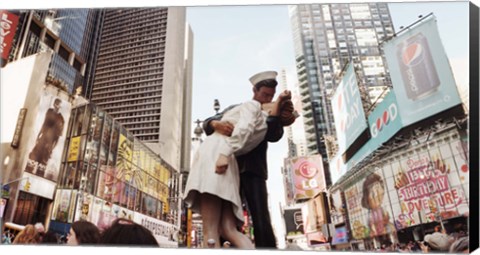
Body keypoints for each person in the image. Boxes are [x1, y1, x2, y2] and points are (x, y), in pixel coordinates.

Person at [200, 71, 289, 248]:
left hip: (254, 170)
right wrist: (213, 124)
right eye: (264, 94)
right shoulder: (243, 107)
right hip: (230, 167)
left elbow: (273, 134)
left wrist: (277, 108)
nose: (266, 98)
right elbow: (210, 121)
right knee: (227, 216)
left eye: (270, 96)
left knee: (260, 215)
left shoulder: (273, 112)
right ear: (254, 90)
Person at [25, 98, 65, 177]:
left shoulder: (61, 119)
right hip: (42, 140)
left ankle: (37, 180)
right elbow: (44, 124)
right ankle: (27, 175)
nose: (57, 107)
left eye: (59, 106)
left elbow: (58, 138)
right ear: (54, 104)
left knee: (42, 166)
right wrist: (38, 136)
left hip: (48, 145)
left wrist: (51, 149)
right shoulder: (49, 111)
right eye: (56, 104)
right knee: (32, 159)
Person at [361, 173, 394, 237]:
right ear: (367, 198)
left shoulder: (384, 210)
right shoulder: (369, 216)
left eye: (378, 189)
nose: (377, 195)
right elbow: (371, 225)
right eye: (373, 193)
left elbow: (388, 223)